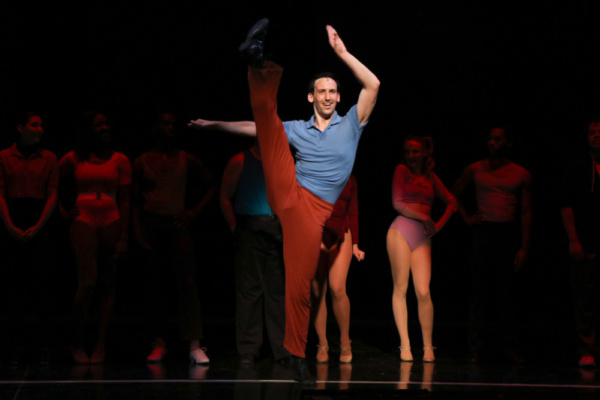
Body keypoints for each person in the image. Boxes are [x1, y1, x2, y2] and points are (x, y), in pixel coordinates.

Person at [189, 19, 379, 383]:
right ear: (311, 97)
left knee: (299, 284)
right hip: (290, 193)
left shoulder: (353, 124)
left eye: (332, 91)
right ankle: (258, 64)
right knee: (272, 128)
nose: (327, 96)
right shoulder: (299, 128)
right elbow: (256, 127)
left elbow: (373, 84)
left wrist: (342, 53)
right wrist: (214, 125)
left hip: (313, 215)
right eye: (321, 91)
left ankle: (294, 355)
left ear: (339, 97)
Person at [131, 111, 216, 365]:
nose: (170, 127)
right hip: (152, 224)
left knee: (187, 283)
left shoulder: (185, 159)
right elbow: (134, 203)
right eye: (165, 123)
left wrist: (192, 212)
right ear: (155, 127)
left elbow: (212, 184)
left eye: (173, 124)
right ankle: (157, 342)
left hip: (177, 225)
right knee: (154, 285)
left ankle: (194, 343)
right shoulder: (142, 161)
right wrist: (138, 233)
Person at [452, 127, 532, 364]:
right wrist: (466, 217)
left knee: (507, 294)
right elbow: (453, 193)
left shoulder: (521, 173)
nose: (493, 143)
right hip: (483, 233)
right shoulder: (475, 169)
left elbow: (527, 211)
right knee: (479, 293)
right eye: (490, 139)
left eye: (498, 139)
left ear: (507, 143)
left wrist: (524, 247)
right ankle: (475, 349)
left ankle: (510, 347)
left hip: (507, 234)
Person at [58, 111, 131, 364]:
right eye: (99, 124)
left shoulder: (120, 159)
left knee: (108, 283)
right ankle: (76, 341)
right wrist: (62, 209)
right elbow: (51, 181)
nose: (104, 127)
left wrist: (124, 236)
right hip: (84, 217)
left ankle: (100, 343)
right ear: (89, 130)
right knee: (87, 282)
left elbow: (125, 199)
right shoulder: (75, 158)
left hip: (111, 217)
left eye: (107, 123)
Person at [387, 136, 456, 363]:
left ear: (424, 153)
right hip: (401, 232)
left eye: (415, 152)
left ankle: (428, 346)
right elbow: (397, 203)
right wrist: (425, 217)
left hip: (423, 238)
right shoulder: (401, 170)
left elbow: (452, 203)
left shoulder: (430, 178)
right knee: (401, 287)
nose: (411, 156)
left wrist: (437, 226)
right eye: (407, 151)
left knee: (424, 291)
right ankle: (405, 345)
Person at [220, 139, 288, 366]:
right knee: (250, 290)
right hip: (249, 229)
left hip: (276, 229)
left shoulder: (281, 160)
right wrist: (234, 227)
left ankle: (281, 348)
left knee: (277, 291)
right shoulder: (240, 160)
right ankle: (249, 349)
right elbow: (225, 197)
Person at [0, 111, 59, 363]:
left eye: (41, 125)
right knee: (14, 286)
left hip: (40, 221)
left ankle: (43, 345)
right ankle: (14, 346)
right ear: (21, 128)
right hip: (12, 219)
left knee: (42, 284)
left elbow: (52, 195)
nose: (39, 129)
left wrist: (38, 226)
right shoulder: (3, 156)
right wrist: (10, 226)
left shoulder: (49, 158)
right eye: (34, 125)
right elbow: (0, 193)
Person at [559, 119, 600, 367]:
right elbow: (566, 205)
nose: (597, 135)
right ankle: (586, 349)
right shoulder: (577, 168)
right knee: (585, 299)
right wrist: (573, 239)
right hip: (586, 243)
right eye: (592, 132)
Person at [312, 175, 364, 364]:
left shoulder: (349, 177)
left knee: (337, 287)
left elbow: (353, 211)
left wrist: (356, 244)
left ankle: (344, 341)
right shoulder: (315, 168)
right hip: (317, 230)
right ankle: (322, 343)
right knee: (318, 290)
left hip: (342, 231)